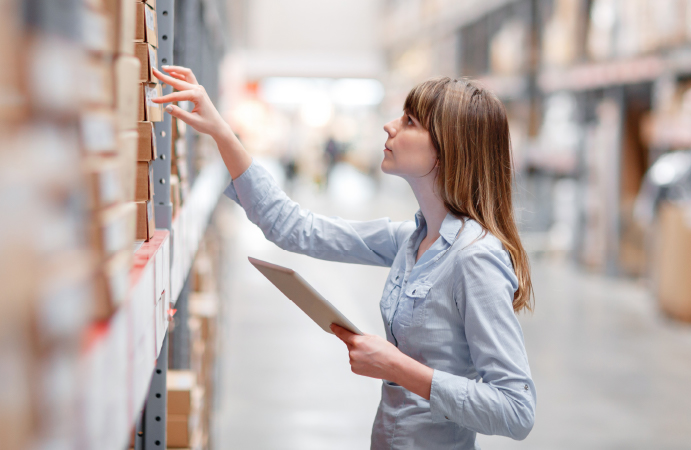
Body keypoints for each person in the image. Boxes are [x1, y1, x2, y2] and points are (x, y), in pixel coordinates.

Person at [153, 66, 536, 450]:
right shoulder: (410, 239)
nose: (390, 127)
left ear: (448, 148)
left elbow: (516, 410)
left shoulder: (475, 259)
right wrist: (222, 131)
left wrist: (396, 366)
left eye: (409, 121)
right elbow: (294, 227)